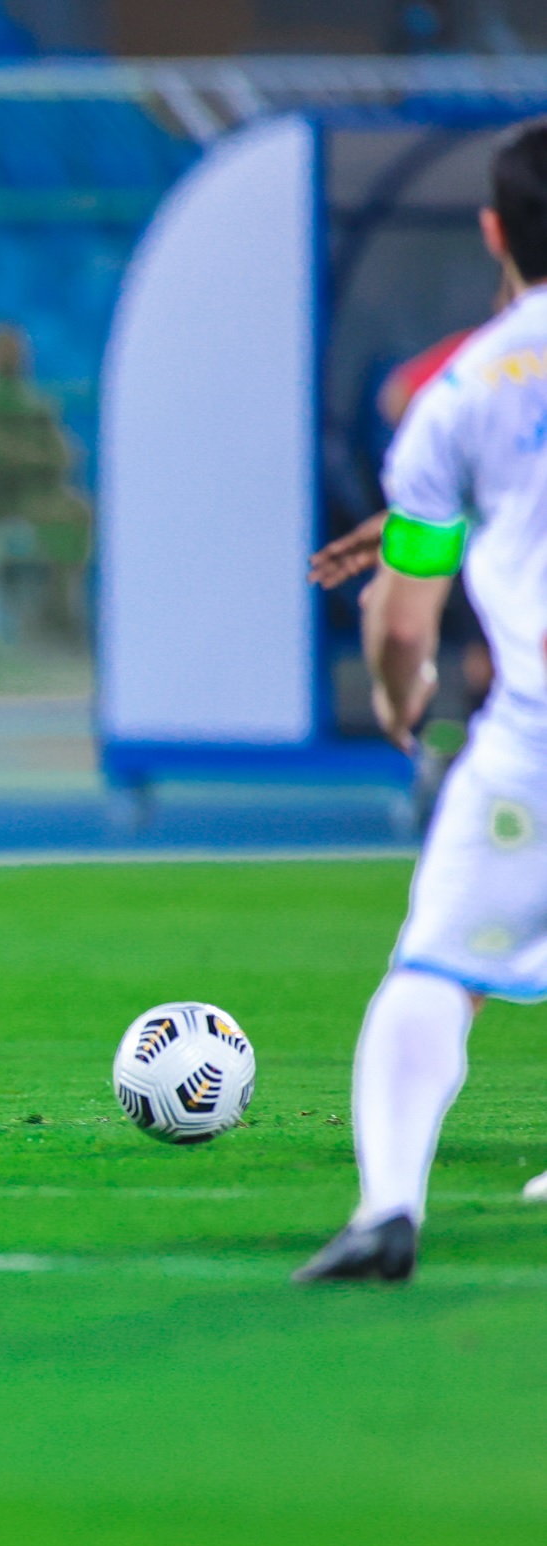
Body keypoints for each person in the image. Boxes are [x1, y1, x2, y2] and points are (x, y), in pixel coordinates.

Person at [295, 121, 547, 1283]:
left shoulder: (465, 391)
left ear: (494, 230)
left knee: (437, 965)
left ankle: (388, 1205)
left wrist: (404, 696)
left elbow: (404, 607)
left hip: (532, 737)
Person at [0, 325, 94, 645]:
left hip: (44, 495)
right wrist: (39, 458)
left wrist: (43, 457)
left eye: (16, 351)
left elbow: (65, 452)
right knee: (63, 516)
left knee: (81, 513)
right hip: (5, 500)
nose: (12, 358)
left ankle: (63, 610)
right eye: (4, 351)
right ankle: (55, 616)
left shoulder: (37, 405)